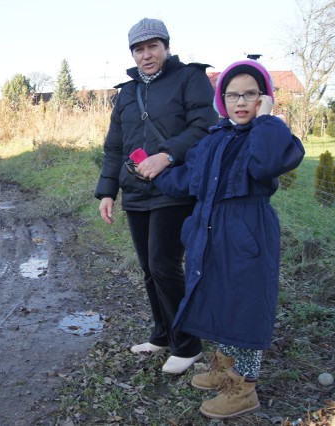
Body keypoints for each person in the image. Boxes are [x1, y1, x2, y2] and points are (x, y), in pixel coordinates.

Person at [151, 59, 305, 418]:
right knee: (217, 296)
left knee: (247, 307)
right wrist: (153, 175)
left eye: (250, 94)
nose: (240, 101)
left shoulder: (271, 133)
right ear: (222, 99)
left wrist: (268, 118)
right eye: (232, 94)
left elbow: (267, 165)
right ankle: (223, 364)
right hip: (210, 229)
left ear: (263, 97)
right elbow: (191, 178)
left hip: (248, 231)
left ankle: (243, 387)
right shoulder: (216, 137)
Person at [94, 18, 218, 374]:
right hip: (135, 192)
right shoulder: (126, 93)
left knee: (165, 266)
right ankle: (162, 335)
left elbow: (204, 126)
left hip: (173, 189)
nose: (146, 55)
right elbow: (114, 147)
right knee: (149, 269)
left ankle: (188, 344)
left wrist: (167, 155)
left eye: (152, 47)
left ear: (165, 46)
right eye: (139, 49)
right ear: (132, 53)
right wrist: (107, 192)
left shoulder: (189, 79)